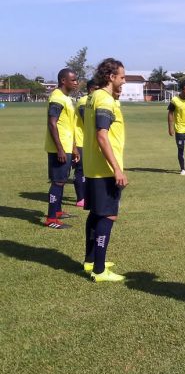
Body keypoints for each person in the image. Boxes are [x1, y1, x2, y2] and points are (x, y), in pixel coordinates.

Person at [82, 58, 128, 282]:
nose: (124, 81)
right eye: (122, 77)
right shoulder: (104, 100)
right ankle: (99, 270)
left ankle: (91, 261)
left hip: (92, 166)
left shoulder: (94, 97)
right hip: (104, 169)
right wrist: (117, 169)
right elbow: (102, 135)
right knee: (108, 216)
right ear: (111, 77)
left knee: (95, 215)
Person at [44, 68, 80, 229]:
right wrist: (59, 149)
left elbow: (69, 125)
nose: (76, 82)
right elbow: (52, 123)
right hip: (59, 147)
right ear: (63, 81)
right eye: (73, 80)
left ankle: (57, 211)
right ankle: (51, 219)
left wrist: (73, 148)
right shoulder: (57, 98)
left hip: (66, 145)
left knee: (62, 180)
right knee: (58, 182)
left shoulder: (65, 98)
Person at [74, 79, 99, 207]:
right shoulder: (84, 101)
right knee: (80, 170)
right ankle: (80, 198)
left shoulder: (92, 100)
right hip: (80, 141)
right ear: (90, 89)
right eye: (97, 88)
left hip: (88, 140)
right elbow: (86, 121)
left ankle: (88, 196)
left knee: (88, 169)